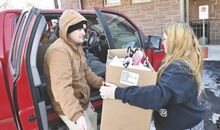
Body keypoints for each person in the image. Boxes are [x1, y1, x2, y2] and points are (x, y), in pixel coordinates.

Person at [100, 23, 206, 130]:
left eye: (165, 39)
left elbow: (157, 95)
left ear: (175, 42)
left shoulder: (180, 68)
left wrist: (117, 92)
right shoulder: (182, 62)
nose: (162, 43)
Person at [44, 10, 104, 130]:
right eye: (79, 29)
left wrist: (101, 84)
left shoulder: (76, 46)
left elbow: (85, 70)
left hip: (82, 102)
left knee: (93, 121)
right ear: (68, 29)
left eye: (84, 29)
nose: (84, 33)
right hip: (70, 108)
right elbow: (62, 88)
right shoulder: (59, 51)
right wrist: (77, 115)